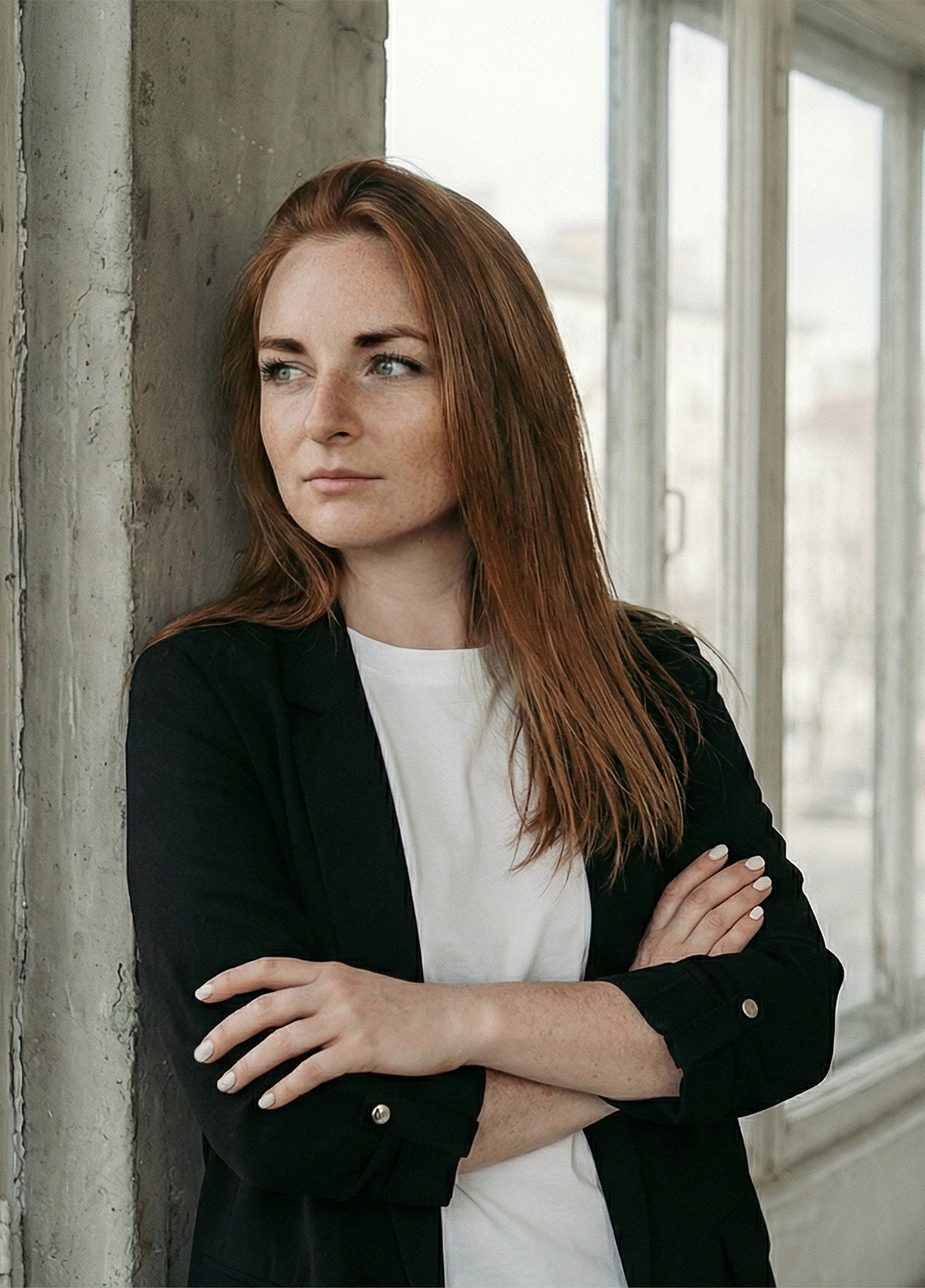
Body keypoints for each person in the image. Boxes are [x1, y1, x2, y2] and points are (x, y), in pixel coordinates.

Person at [124, 158, 843, 1288]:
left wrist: (445, 1023)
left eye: (390, 364)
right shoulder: (212, 695)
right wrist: (639, 1030)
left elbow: (787, 1014)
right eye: (284, 368)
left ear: (500, 391)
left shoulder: (645, 683)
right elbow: (290, 1120)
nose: (323, 419)